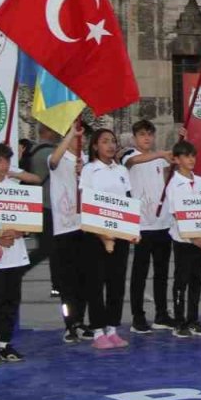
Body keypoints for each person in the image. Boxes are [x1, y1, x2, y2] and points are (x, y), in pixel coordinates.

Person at [0, 143, 38, 364]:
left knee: (12, 300)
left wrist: (21, 230)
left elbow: (28, 219)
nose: (3, 165)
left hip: (16, 252)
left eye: (7, 160)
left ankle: (4, 342)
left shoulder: (14, 187)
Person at [80, 128, 132, 349]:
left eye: (113, 141)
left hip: (119, 232)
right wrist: (102, 235)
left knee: (116, 282)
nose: (110, 145)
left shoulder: (122, 170)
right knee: (96, 282)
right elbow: (86, 201)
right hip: (96, 234)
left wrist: (130, 228)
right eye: (104, 141)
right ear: (95, 146)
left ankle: (112, 328)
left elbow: (128, 199)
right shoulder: (89, 170)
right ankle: (98, 331)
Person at [122, 120, 174, 334]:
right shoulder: (129, 155)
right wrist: (161, 153)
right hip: (141, 224)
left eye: (150, 134)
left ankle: (161, 314)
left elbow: (167, 178)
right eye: (142, 134)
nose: (147, 138)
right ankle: (138, 316)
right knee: (140, 273)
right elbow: (133, 161)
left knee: (161, 272)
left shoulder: (160, 160)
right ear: (135, 137)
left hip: (162, 222)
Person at [48, 119, 91, 343]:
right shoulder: (58, 156)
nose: (78, 140)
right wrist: (70, 134)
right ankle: (69, 323)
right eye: (74, 136)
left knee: (84, 278)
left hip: (85, 226)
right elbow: (53, 162)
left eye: (82, 136)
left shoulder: (88, 161)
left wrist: (86, 173)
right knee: (67, 283)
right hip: (64, 228)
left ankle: (81, 320)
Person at [165, 141, 201, 338]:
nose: (191, 159)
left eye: (193, 155)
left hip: (200, 240)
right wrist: (193, 238)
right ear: (177, 160)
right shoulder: (173, 185)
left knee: (196, 280)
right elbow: (177, 214)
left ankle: (193, 319)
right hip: (183, 241)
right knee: (181, 280)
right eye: (186, 156)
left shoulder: (200, 181)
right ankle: (179, 321)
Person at [21, 124, 60, 297]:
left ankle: (57, 285)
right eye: (55, 129)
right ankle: (19, 270)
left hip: (39, 204)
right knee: (47, 247)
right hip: (47, 205)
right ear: (47, 132)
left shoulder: (33, 150)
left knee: (52, 248)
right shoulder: (48, 153)